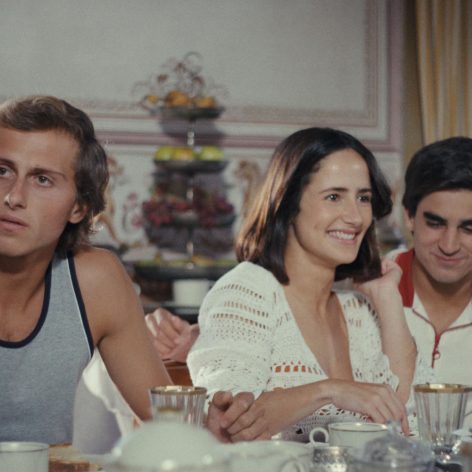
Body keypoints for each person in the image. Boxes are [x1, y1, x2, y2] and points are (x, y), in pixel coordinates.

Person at [0, 95, 268, 446]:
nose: (13, 196)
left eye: (42, 179)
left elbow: (169, 422)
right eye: (2, 171)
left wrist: (215, 427)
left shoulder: (96, 281)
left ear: (78, 207)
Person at [150, 127, 431, 442]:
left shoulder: (359, 310)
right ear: (289, 202)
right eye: (334, 197)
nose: (355, 217)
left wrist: (387, 298)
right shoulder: (249, 290)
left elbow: (407, 421)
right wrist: (331, 391)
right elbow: (228, 425)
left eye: (363, 198)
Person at [390, 136, 472, 425]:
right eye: (435, 223)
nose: (449, 245)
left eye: (469, 228)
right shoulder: (365, 294)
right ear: (409, 217)